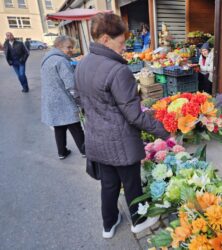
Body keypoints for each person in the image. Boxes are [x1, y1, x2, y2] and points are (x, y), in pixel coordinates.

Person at [75, 13, 169, 239]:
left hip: (97, 137)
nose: (124, 46)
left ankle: (108, 224)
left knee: (109, 184)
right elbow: (134, 116)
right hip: (121, 141)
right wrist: (164, 131)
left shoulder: (82, 64)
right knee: (131, 182)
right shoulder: (119, 71)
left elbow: (80, 101)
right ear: (106, 39)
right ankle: (139, 220)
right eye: (121, 41)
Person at [41, 36, 85, 160]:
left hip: (51, 100)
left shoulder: (47, 59)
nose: (71, 50)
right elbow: (71, 84)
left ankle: (62, 152)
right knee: (75, 126)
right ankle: (85, 150)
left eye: (72, 47)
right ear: (59, 46)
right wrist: (79, 101)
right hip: (63, 100)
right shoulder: (61, 61)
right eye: (68, 47)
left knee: (59, 127)